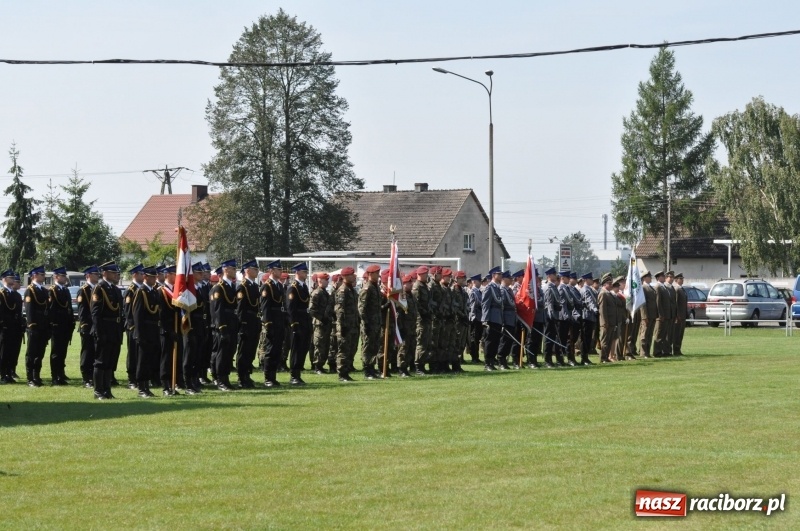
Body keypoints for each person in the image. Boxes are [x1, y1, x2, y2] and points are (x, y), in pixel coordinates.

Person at [90, 261, 124, 399]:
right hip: (104, 329)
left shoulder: (115, 289)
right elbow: (95, 313)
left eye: (117, 273)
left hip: (114, 330)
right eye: (113, 272)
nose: (117, 275)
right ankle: (98, 391)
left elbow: (120, 312)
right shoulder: (99, 288)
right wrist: (99, 333)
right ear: (105, 273)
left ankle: (107, 390)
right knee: (101, 361)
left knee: (110, 361)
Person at [132, 266, 161, 398]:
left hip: (153, 330)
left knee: (150, 360)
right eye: (152, 277)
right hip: (144, 331)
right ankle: (141, 388)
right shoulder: (141, 291)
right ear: (145, 277)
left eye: (155, 276)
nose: (154, 279)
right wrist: (139, 333)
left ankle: (147, 386)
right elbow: (137, 315)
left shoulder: (153, 291)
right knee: (142, 360)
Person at [210, 259, 239, 391]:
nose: (235, 271)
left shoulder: (231, 287)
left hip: (232, 322)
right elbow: (217, 310)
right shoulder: (218, 288)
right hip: (223, 324)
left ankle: (226, 378)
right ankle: (220, 379)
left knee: (229, 352)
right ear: (226, 270)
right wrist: (221, 327)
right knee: (222, 352)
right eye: (233, 269)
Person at [258, 260, 286, 387]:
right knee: (269, 350)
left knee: (277, 350)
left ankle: (273, 376)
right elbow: (265, 307)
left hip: (279, 320)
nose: (281, 272)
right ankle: (268, 377)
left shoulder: (279, 285)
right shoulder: (267, 286)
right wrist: (267, 323)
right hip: (272, 321)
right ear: (272, 271)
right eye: (278, 270)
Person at [234, 260, 261, 388]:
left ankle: (247, 375)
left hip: (254, 321)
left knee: (251, 350)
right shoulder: (242, 287)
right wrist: (242, 324)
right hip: (246, 321)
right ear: (247, 271)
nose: (257, 272)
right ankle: (241, 376)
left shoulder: (255, 286)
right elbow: (240, 308)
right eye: (255, 269)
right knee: (243, 350)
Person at [47, 266, 75, 385]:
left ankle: (61, 373)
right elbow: (51, 309)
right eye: (62, 276)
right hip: (57, 325)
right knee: (56, 352)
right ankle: (55, 376)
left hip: (65, 325)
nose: (64, 278)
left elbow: (68, 308)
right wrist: (53, 323)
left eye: (65, 276)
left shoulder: (65, 290)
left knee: (63, 351)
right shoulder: (52, 290)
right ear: (56, 277)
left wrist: (71, 321)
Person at [182, 262, 207, 394]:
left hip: (199, 325)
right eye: (198, 272)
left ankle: (195, 380)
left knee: (197, 355)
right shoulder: (188, 290)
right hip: (190, 325)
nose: (202, 274)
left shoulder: (199, 288)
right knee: (189, 356)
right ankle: (188, 383)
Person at [24, 265, 50, 387]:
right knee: (32, 353)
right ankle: (30, 378)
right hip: (35, 325)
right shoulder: (30, 290)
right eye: (41, 274)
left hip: (43, 325)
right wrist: (32, 325)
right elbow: (29, 310)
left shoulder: (44, 291)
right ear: (34, 275)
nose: (43, 276)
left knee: (40, 352)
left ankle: (36, 376)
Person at [287, 262, 312, 385]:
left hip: (305, 320)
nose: (306, 274)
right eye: (304, 272)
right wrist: (294, 324)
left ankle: (298, 373)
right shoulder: (293, 287)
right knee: (296, 349)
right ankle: (294, 375)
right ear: (297, 272)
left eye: (306, 272)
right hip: (298, 321)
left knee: (303, 348)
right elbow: (291, 308)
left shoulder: (303, 286)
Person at [334, 266, 359, 381]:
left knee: (350, 349)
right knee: (343, 350)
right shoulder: (343, 290)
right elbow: (339, 309)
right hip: (345, 325)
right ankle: (342, 374)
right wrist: (342, 325)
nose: (354, 276)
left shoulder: (351, 290)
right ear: (345, 276)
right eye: (351, 275)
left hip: (352, 324)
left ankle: (346, 371)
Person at [0, 269, 25, 384]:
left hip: (15, 328)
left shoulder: (15, 294)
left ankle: (10, 372)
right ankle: (3, 373)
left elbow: (18, 312)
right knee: (4, 351)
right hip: (5, 327)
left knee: (13, 351)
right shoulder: (2, 294)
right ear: (4, 279)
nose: (13, 280)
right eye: (10, 278)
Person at [358, 264, 382, 379]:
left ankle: (372, 368)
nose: (378, 275)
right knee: (367, 346)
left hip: (376, 322)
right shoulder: (367, 288)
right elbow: (362, 307)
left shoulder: (376, 287)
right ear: (370, 274)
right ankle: (367, 370)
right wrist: (365, 322)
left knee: (375, 346)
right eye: (377, 273)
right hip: (369, 323)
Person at [77, 265, 100, 388]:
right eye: (95, 274)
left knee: (94, 352)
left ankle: (93, 376)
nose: (98, 276)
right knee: (87, 352)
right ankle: (86, 378)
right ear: (88, 275)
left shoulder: (97, 288)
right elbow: (82, 311)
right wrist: (84, 325)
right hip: (87, 326)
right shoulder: (84, 290)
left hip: (95, 326)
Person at [123, 264, 144, 389]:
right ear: (134, 275)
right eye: (141, 274)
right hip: (133, 327)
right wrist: (132, 326)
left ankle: (139, 377)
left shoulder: (142, 289)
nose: (143, 276)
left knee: (141, 354)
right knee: (133, 354)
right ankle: (132, 379)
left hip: (141, 327)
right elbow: (128, 311)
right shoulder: (130, 290)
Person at [309, 272, 333, 375]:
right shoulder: (317, 293)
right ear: (320, 281)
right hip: (319, 323)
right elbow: (312, 309)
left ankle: (321, 365)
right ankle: (317, 366)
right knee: (319, 344)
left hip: (326, 323)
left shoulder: (324, 292)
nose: (328, 282)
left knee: (325, 345)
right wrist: (322, 318)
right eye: (326, 280)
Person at [481, 266, 504, 371]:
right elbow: (485, 304)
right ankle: (487, 363)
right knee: (489, 341)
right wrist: (485, 319)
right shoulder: (489, 287)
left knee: (495, 341)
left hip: (498, 317)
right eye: (499, 274)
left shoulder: (497, 287)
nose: (501, 276)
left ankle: (491, 361)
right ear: (494, 275)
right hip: (491, 318)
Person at [412, 266, 432, 376]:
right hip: (421, 319)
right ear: (420, 274)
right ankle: (418, 366)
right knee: (421, 343)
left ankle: (422, 365)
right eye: (425, 274)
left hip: (427, 319)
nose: (427, 276)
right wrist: (424, 313)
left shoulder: (425, 286)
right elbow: (417, 304)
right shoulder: (417, 287)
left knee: (426, 343)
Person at [525, 268, 546, 368]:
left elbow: (542, 302)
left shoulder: (539, 290)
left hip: (540, 318)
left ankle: (535, 359)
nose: (538, 279)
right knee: (531, 340)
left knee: (537, 340)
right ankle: (530, 360)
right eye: (537, 277)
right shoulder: (531, 290)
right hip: (532, 318)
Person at [397, 273, 417, 377]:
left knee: (410, 348)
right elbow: (399, 313)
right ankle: (401, 368)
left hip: (412, 326)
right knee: (403, 349)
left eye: (411, 282)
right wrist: (400, 327)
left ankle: (407, 367)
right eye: (409, 283)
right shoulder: (401, 296)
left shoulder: (411, 295)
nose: (411, 284)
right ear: (403, 284)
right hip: (404, 326)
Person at [542, 267, 562, 368]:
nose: (555, 275)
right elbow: (548, 303)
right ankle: (547, 360)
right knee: (548, 338)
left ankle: (550, 359)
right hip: (549, 316)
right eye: (554, 274)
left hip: (554, 314)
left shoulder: (553, 287)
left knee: (552, 338)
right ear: (549, 276)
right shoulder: (548, 288)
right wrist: (551, 316)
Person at [497, 270, 517, 370]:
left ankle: (504, 360)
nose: (511, 280)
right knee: (504, 341)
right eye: (509, 278)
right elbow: (503, 306)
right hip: (506, 318)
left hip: (511, 318)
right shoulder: (502, 290)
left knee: (509, 341)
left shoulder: (509, 290)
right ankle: (501, 359)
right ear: (504, 279)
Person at [450, 270, 468, 372]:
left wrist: (465, 316)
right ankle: (454, 364)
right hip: (457, 320)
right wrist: (461, 315)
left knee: (461, 343)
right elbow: (454, 306)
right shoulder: (453, 290)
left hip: (463, 319)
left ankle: (458, 363)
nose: (464, 280)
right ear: (456, 279)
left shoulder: (463, 291)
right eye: (462, 278)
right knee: (456, 342)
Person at [557, 271, 575, 366]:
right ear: (562, 278)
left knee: (566, 339)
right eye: (567, 277)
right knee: (561, 339)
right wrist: (566, 316)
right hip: (562, 317)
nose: (569, 279)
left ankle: (564, 358)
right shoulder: (561, 288)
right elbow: (562, 303)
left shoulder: (566, 288)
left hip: (567, 316)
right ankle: (560, 360)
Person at [597, 274, 617, 363]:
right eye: (609, 283)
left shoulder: (609, 294)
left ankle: (606, 356)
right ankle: (603, 358)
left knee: (609, 341)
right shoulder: (603, 293)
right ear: (604, 284)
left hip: (611, 321)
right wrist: (605, 322)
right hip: (606, 322)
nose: (611, 285)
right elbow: (602, 309)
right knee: (605, 341)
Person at [638, 270, 657, 358]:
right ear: (645, 278)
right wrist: (644, 316)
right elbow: (643, 304)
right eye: (649, 277)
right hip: (647, 315)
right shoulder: (643, 288)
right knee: (644, 335)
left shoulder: (651, 288)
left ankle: (647, 352)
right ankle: (643, 352)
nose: (651, 278)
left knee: (649, 334)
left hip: (652, 315)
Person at [579, 272, 597, 366]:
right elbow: (589, 301)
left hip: (590, 316)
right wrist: (595, 309)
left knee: (588, 338)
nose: (592, 280)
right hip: (586, 316)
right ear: (586, 280)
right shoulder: (585, 290)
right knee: (585, 338)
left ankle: (586, 357)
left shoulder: (590, 289)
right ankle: (584, 358)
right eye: (590, 279)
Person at [653, 271, 671, 357]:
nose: (664, 277)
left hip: (666, 314)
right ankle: (657, 352)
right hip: (661, 315)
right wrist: (660, 315)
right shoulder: (658, 287)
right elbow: (658, 302)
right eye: (662, 276)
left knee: (663, 334)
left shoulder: (663, 287)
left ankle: (662, 350)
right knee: (659, 334)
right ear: (658, 278)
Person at [466, 274, 483, 364]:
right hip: (475, 317)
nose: (480, 283)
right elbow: (472, 305)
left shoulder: (478, 291)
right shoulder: (473, 292)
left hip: (479, 317)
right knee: (474, 338)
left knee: (477, 338)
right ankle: (474, 357)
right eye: (479, 281)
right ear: (474, 282)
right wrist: (472, 317)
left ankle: (476, 356)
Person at [673, 273, 688, 356]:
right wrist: (677, 315)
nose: (682, 280)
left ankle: (678, 349)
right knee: (677, 333)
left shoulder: (682, 289)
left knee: (680, 334)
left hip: (682, 315)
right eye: (680, 278)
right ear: (676, 280)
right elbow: (676, 303)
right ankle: (675, 349)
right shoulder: (677, 289)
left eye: (682, 278)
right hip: (679, 316)